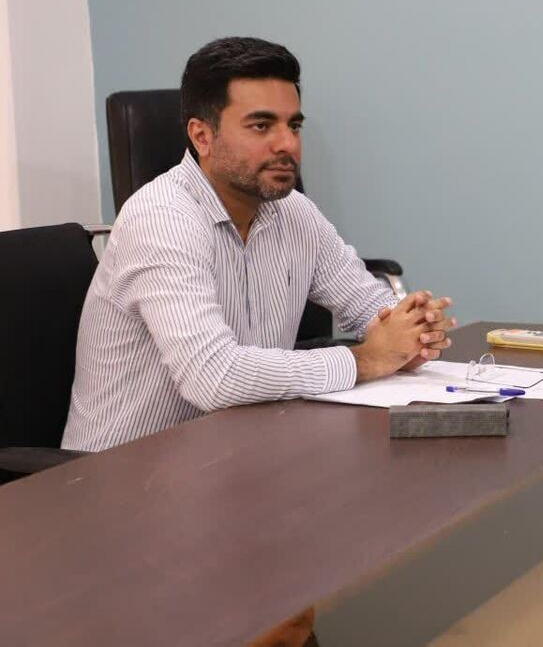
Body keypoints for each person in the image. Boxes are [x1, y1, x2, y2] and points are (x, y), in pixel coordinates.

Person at [62, 37, 453, 451]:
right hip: (124, 471)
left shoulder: (293, 212)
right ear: (202, 136)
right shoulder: (160, 219)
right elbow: (214, 377)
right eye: (261, 126)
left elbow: (369, 307)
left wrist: (409, 336)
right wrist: (368, 359)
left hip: (240, 454)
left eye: (293, 126)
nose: (288, 144)